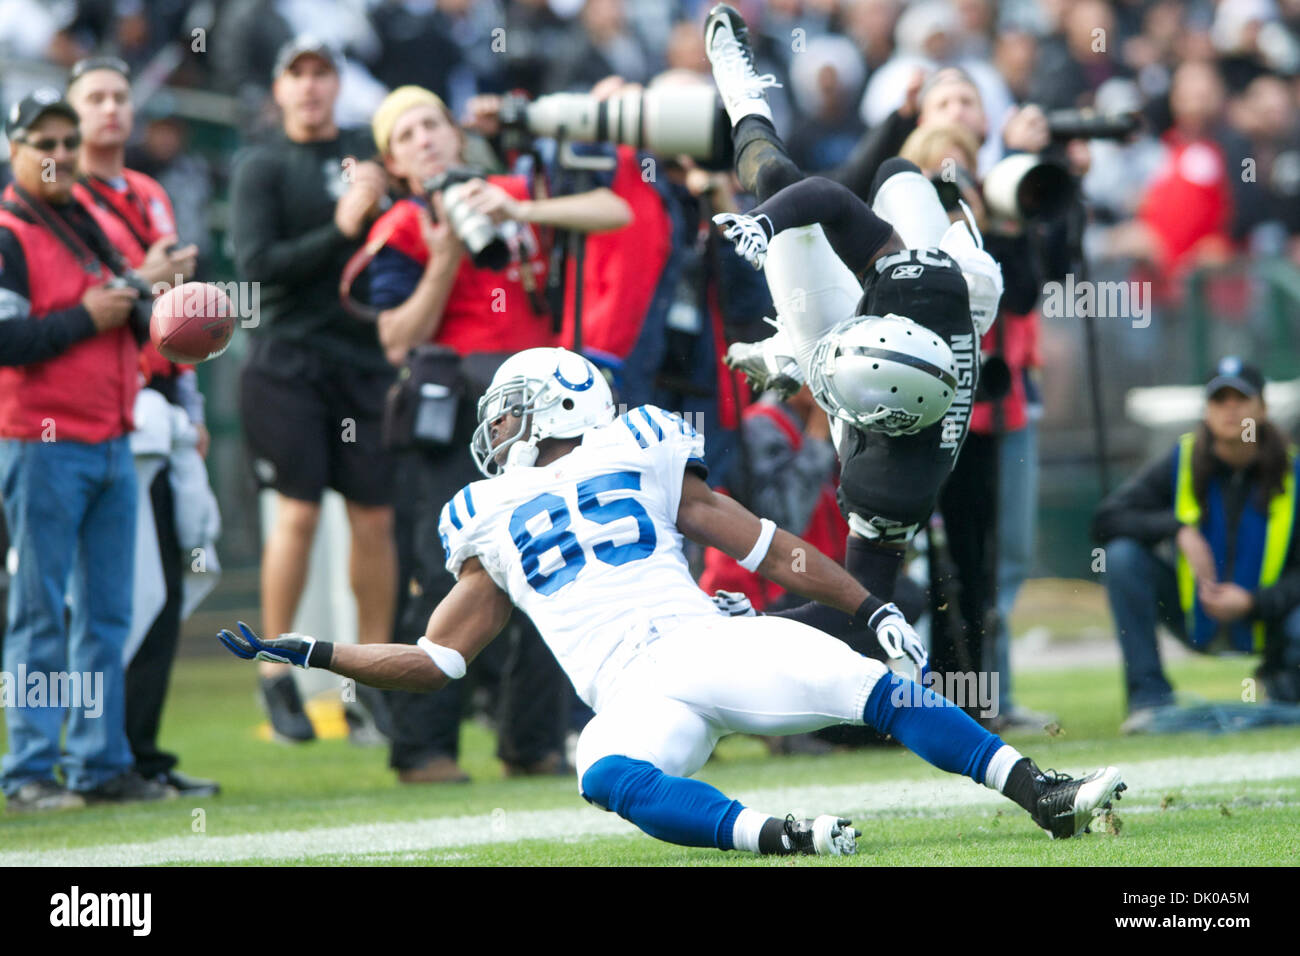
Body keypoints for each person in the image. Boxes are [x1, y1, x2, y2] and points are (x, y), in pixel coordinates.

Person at [217, 346, 1126, 855]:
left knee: (873, 690)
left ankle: (1042, 791)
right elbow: (437, 662)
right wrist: (314, 651)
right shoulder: (484, 516)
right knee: (604, 776)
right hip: (632, 694)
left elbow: (757, 540)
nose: (491, 428)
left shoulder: (635, 444)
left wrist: (867, 606)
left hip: (699, 639)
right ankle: (783, 836)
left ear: (551, 408)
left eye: (506, 409)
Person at [702, 5, 1002, 659]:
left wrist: (755, 624)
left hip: (841, 354)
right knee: (884, 176)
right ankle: (742, 95)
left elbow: (862, 607)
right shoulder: (927, 287)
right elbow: (836, 199)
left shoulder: (891, 488)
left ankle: (796, 351)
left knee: (785, 188)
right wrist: (765, 225)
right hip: (929, 306)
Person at [357, 85, 630, 781]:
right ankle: (424, 749)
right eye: (405, 134)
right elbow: (395, 338)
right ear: (394, 163)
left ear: (454, 135)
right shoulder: (404, 227)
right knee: (440, 573)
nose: (423, 139)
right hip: (455, 411)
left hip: (547, 413)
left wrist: (520, 208)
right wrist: (446, 256)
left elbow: (616, 209)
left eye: (431, 125)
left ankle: (530, 743)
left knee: (555, 561)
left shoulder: (512, 189)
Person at [0, 90, 176, 811]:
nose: (63, 155)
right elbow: (7, 341)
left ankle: (100, 764)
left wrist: (156, 294)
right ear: (14, 148)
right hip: (41, 442)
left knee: (107, 615)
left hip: (109, 435)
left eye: (69, 142)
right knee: (41, 615)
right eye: (46, 141)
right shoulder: (10, 230)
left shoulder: (85, 218)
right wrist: (88, 316)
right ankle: (30, 770)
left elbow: (124, 312)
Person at [229, 37, 397, 742]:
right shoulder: (261, 164)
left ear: (336, 84)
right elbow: (257, 268)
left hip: (363, 360)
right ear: (278, 88)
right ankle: (276, 672)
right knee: (296, 516)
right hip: (288, 360)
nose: (310, 86)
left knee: (374, 519)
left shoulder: (361, 149)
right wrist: (340, 226)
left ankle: (371, 678)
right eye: (296, 74)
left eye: (321, 73)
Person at [65, 54, 218, 798]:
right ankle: (100, 755)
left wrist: (190, 403)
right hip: (95, 412)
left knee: (171, 576)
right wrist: (143, 280)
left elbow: (174, 317)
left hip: (159, 407)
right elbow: (73, 302)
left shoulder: (151, 190)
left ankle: (140, 751)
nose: (111, 109)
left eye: (120, 96)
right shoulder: (57, 197)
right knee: (117, 593)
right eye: (94, 97)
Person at [1092, 358, 1300, 730]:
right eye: (1220, 399)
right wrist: (1177, 529)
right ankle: (1149, 698)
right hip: (1194, 613)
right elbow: (1106, 519)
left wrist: (1253, 602)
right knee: (1121, 557)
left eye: (1241, 399)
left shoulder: (1294, 472)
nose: (1230, 409)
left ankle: (1286, 687)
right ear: (1206, 411)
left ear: (1263, 410)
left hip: (1271, 619)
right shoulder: (1181, 461)